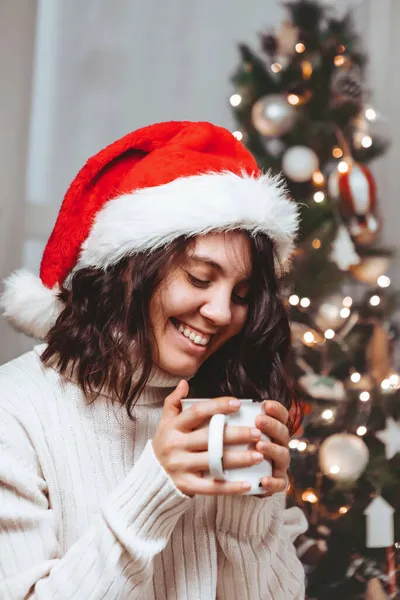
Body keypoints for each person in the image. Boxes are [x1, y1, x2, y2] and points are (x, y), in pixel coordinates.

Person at [0, 121, 307, 599]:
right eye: (201, 279)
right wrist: (152, 490)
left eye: (243, 294)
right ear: (128, 273)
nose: (223, 313)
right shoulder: (16, 410)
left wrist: (248, 518)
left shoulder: (229, 406)